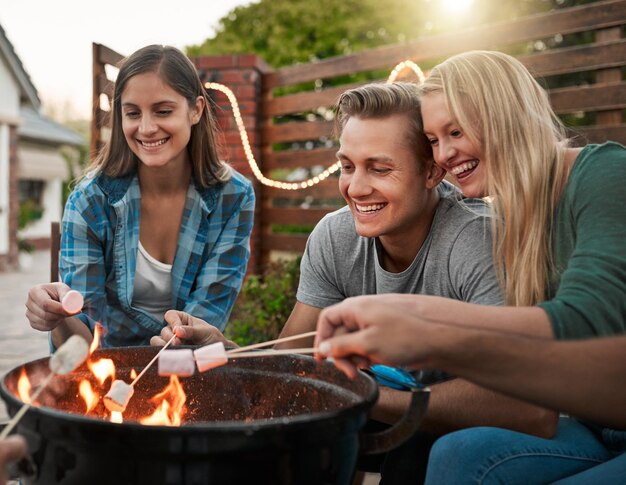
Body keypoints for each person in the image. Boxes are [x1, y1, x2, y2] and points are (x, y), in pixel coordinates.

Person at [152, 82, 557, 481]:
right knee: (295, 432)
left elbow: (526, 405)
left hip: (491, 432)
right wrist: (222, 353)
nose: (355, 188)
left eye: (379, 169)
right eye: (347, 166)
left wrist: (363, 396)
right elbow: (291, 365)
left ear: (432, 171)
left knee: (412, 449)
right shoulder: (335, 236)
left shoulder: (476, 241)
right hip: (397, 406)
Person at [324, 50, 626, 483]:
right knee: (457, 453)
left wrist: (422, 327)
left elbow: (583, 323)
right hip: (590, 425)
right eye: (432, 140)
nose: (444, 155)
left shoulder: (606, 173)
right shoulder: (520, 219)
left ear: (504, 114)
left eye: (456, 131)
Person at [25, 45, 255, 348]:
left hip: (185, 365)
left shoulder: (233, 196)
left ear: (196, 110)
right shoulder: (90, 201)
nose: (146, 128)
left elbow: (205, 321)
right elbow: (82, 343)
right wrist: (58, 315)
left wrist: (178, 343)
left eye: (163, 111)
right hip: (105, 369)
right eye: (133, 113)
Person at [314, 295, 626, 484]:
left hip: (600, 417)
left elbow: (564, 330)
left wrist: (428, 338)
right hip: (591, 423)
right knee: (458, 453)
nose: (356, 189)